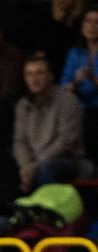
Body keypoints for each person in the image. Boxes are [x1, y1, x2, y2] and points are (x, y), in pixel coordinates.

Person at [14, 56, 92, 191]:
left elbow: (66, 141)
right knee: (5, 165)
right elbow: (20, 141)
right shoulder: (22, 105)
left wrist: (36, 165)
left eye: (39, 73)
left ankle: (49, 211)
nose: (34, 79)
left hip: (67, 160)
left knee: (45, 169)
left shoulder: (67, 100)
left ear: (50, 76)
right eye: (29, 74)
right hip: (35, 162)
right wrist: (25, 165)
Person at [61, 8, 98, 163]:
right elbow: (63, 89)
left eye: (97, 22)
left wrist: (93, 79)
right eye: (88, 21)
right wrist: (76, 81)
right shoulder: (74, 53)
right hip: (80, 111)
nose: (92, 26)